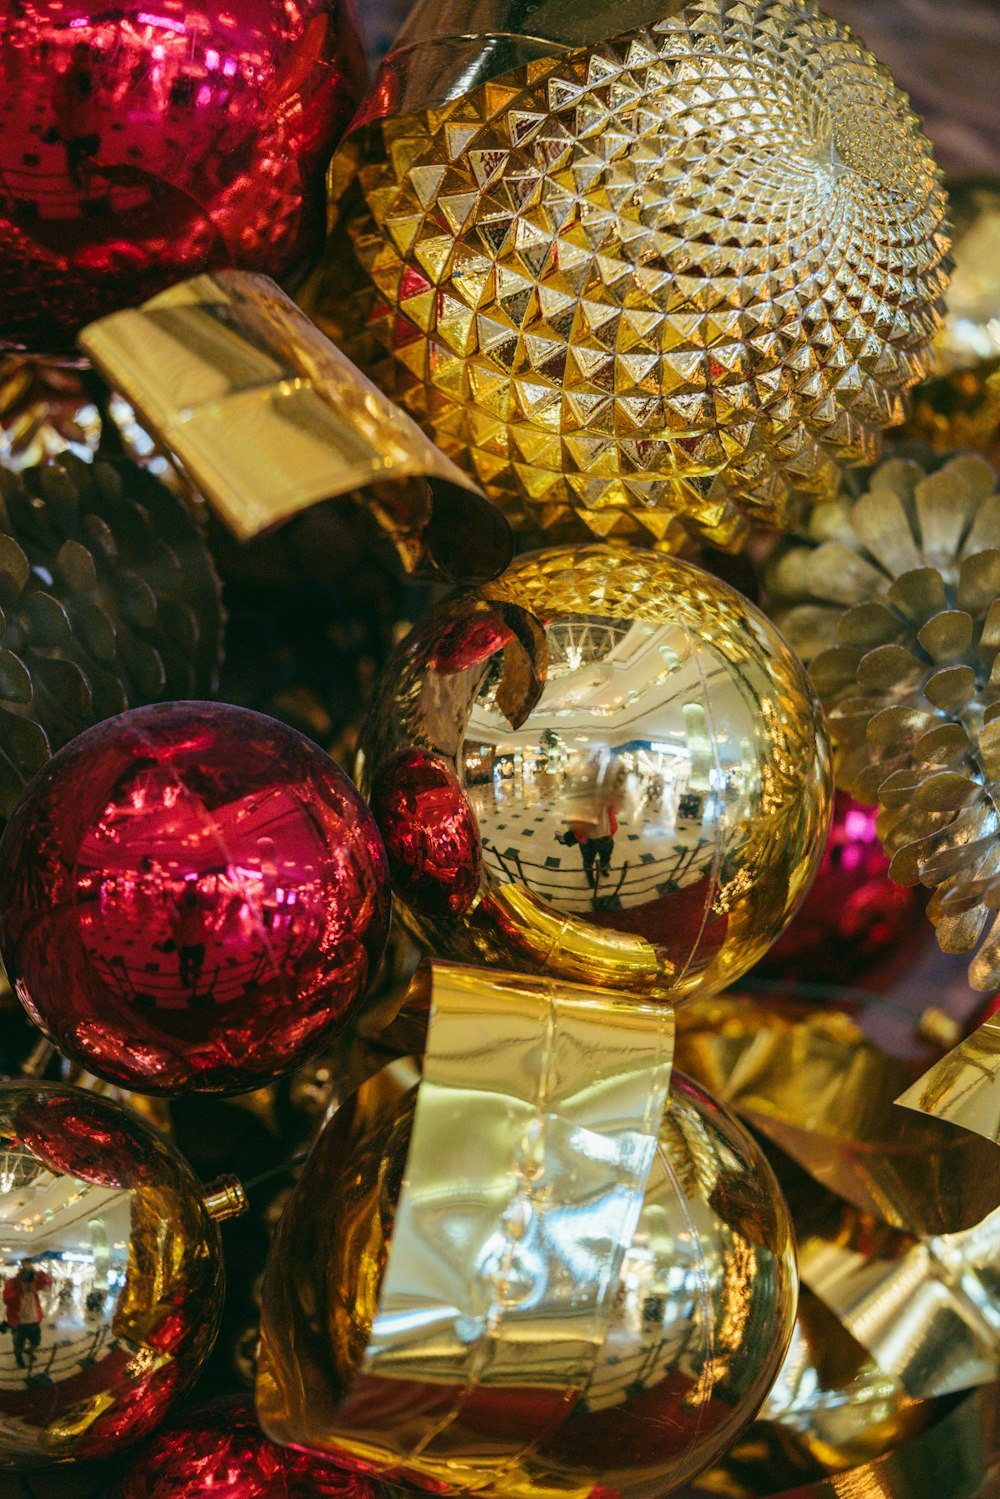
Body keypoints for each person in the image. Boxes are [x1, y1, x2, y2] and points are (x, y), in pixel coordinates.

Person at [48, 43, 101, 188]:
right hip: (72, 130)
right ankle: (74, 176)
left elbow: (97, 102)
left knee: (91, 155)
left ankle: (86, 172)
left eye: (86, 60)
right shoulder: (64, 79)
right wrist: (72, 96)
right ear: (73, 59)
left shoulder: (93, 77)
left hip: (91, 127)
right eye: (80, 60)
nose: (83, 64)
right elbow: (55, 104)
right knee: (73, 157)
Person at [3, 1263, 51, 1372]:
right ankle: (19, 1358)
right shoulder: (12, 1283)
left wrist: (39, 1273)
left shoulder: (34, 1280)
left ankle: (29, 1350)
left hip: (34, 1321)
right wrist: (21, 1290)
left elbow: (48, 1282)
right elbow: (6, 1300)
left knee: (36, 1342)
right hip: (18, 1323)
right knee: (18, 1344)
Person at [556, 805, 618, 889]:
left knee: (606, 857)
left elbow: (614, 810)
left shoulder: (607, 797)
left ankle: (603, 869)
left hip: (606, 838)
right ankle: (590, 877)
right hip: (588, 840)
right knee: (588, 861)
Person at [170, 884, 208, 992]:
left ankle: (195, 973)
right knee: (184, 964)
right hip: (185, 944)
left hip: (198, 942)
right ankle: (185, 979)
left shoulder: (198, 911)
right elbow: (174, 923)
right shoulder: (180, 912)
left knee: (198, 962)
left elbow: (211, 905)